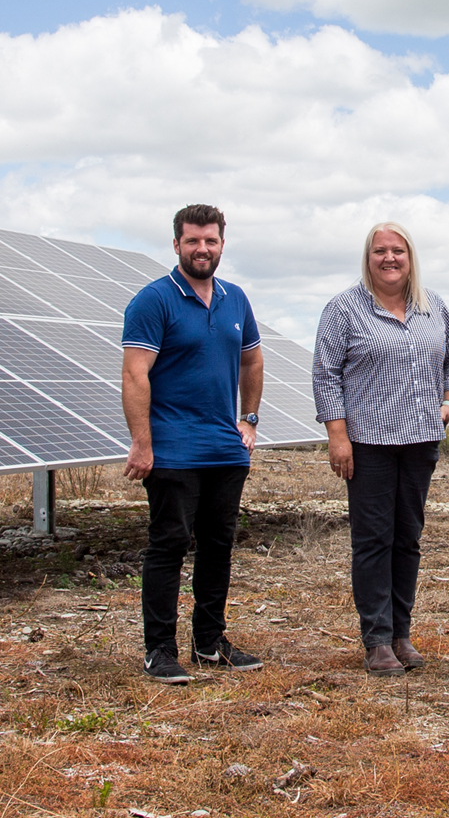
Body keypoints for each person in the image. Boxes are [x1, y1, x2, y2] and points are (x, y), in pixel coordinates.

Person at [313, 222, 449, 676]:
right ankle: (376, 639)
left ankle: (402, 634)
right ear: (368, 257)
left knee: (408, 538)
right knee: (373, 539)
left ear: (410, 256)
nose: (389, 258)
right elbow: (326, 375)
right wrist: (337, 436)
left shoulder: (431, 305)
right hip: (368, 445)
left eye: (397, 250)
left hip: (421, 441)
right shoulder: (345, 308)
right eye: (380, 250)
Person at [122, 204, 264, 683]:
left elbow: (252, 363)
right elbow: (134, 373)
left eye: (211, 240)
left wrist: (249, 419)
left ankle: (208, 642)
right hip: (172, 450)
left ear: (222, 243)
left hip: (225, 450)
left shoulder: (236, 299)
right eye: (192, 240)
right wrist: (143, 443)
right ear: (177, 244)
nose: (202, 248)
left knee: (218, 546)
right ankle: (159, 650)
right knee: (168, 546)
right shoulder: (153, 300)